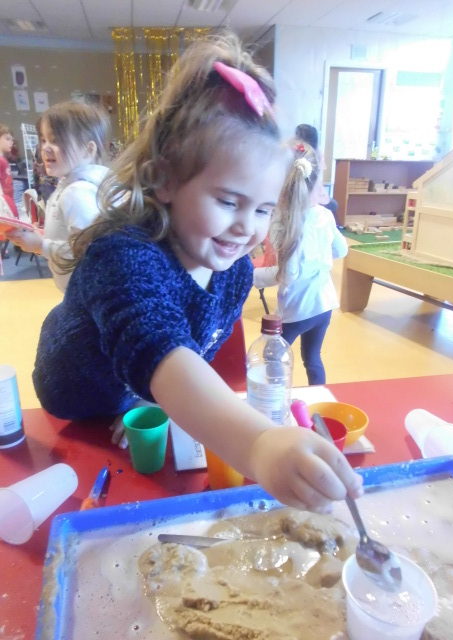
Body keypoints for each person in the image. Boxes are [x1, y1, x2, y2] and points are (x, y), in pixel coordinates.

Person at [32, 33, 362, 512]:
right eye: (228, 201)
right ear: (165, 180)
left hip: (146, 389)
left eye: (263, 209)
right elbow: (158, 345)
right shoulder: (122, 255)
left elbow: (194, 350)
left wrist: (157, 399)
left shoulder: (233, 272)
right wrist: (258, 443)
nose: (246, 227)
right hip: (75, 401)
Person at [254, 140, 348, 385]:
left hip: (297, 309)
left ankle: (275, 399)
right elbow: (341, 250)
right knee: (313, 358)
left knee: (272, 357)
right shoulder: (325, 214)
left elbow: (288, 274)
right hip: (324, 304)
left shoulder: (282, 222)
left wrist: (251, 276)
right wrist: (318, 260)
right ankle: (319, 396)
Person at [6, 102, 110, 291]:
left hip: (86, 295)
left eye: (56, 140)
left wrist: (40, 245)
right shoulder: (73, 185)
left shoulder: (77, 192)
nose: (45, 148)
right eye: (44, 140)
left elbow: (90, 250)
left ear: (88, 150)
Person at [294, 123, 341, 226]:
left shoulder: (297, 152)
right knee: (332, 205)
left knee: (332, 205)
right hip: (304, 198)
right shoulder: (314, 154)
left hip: (304, 197)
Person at [0, 123, 19, 219]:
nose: (11, 142)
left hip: (9, 203)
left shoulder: (3, 159)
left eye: (12, 140)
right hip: (4, 208)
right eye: (7, 139)